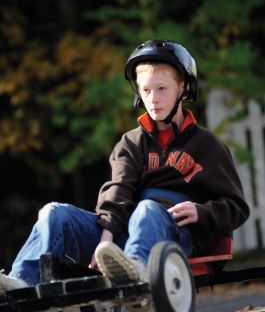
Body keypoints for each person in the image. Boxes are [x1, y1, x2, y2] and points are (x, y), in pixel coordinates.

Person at [0, 40, 250, 292]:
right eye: (146, 90)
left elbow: (236, 207)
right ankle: (22, 282)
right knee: (54, 212)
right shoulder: (131, 143)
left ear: (183, 88)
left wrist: (201, 212)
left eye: (162, 88)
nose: (153, 99)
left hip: (174, 234)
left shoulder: (206, 144)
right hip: (123, 234)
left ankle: (136, 271)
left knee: (147, 209)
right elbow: (118, 192)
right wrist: (104, 244)